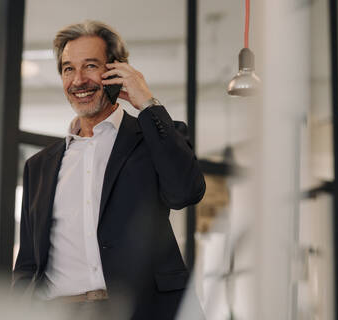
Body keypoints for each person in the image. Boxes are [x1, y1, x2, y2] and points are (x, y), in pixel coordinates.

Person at [12, 20, 206, 319]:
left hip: (139, 311)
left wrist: (147, 104)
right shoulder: (38, 166)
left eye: (90, 66)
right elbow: (27, 264)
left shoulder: (151, 140)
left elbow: (186, 192)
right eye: (67, 69)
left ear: (117, 71)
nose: (78, 80)